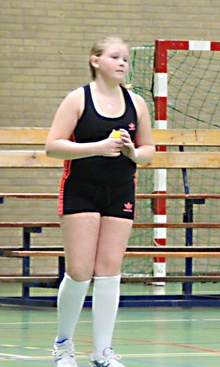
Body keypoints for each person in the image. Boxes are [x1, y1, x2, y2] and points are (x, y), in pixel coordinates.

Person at [45, 36, 155, 367]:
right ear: (95, 60)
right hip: (81, 190)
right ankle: (63, 346)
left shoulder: (137, 103)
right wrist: (98, 147)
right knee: (79, 271)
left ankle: (102, 352)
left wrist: (133, 152)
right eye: (115, 57)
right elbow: (53, 146)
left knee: (109, 272)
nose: (122, 63)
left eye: (125, 58)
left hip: (120, 192)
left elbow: (148, 150)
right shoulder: (78, 99)